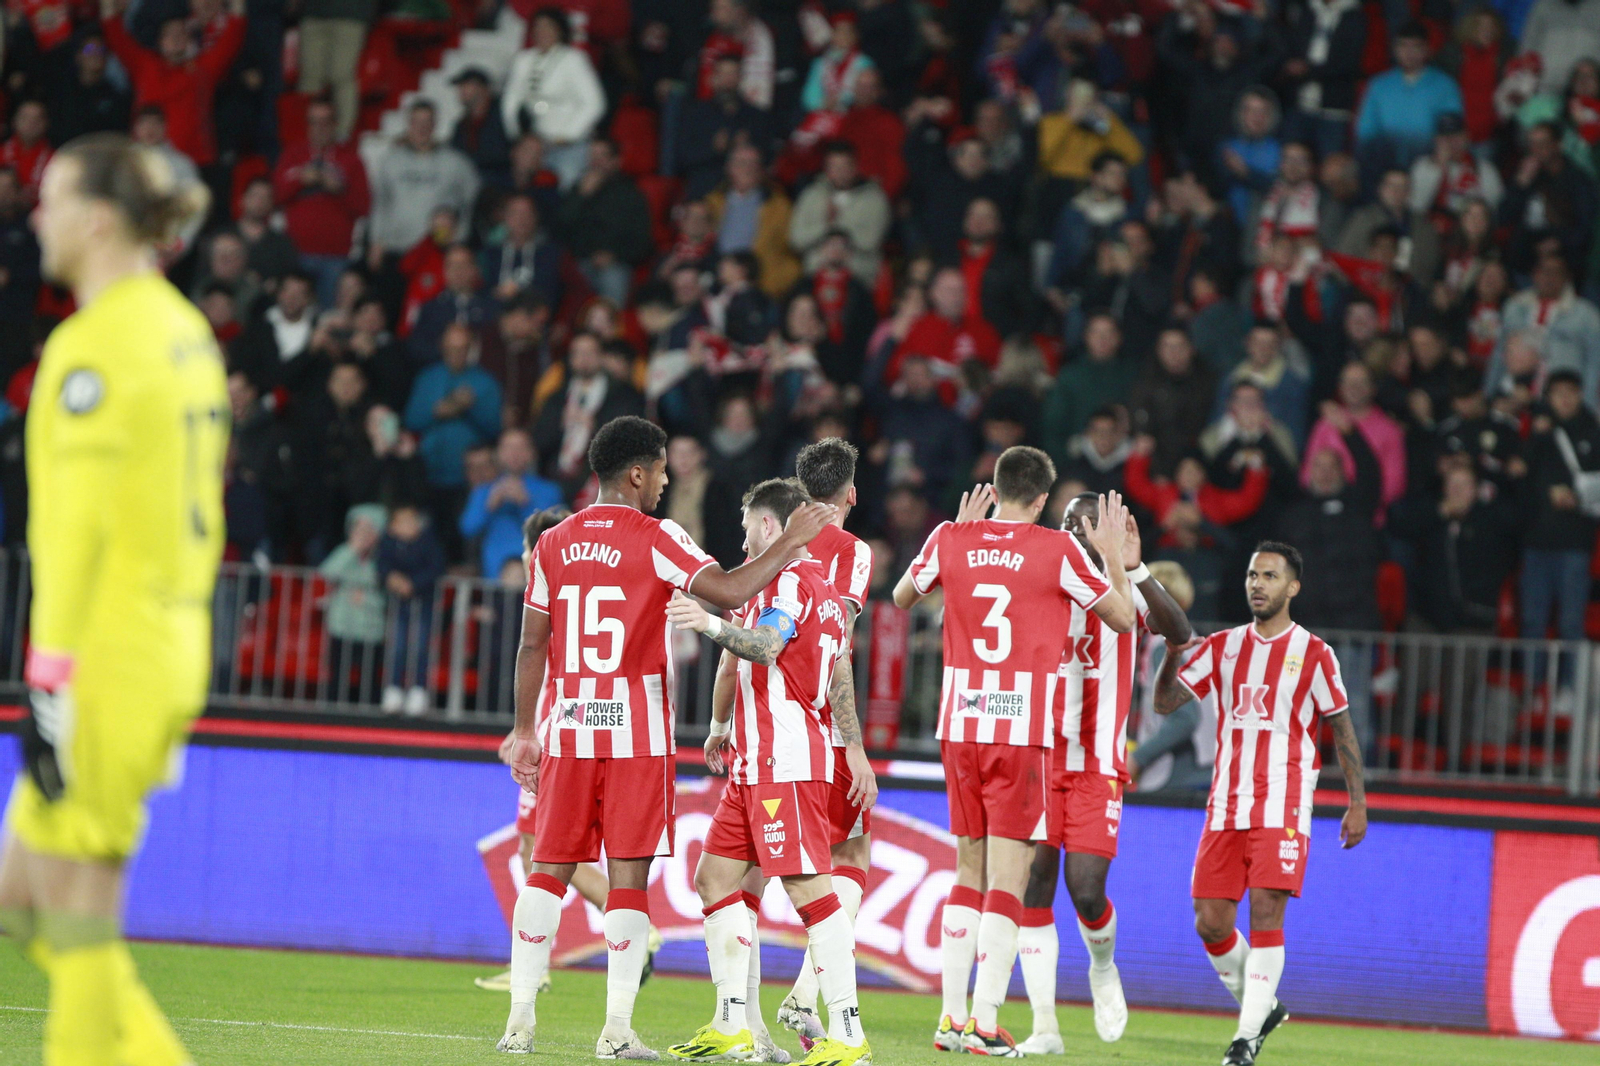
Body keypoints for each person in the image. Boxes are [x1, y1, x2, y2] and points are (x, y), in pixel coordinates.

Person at [498, 416, 835, 1056]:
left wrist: (522, 730)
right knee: (627, 881)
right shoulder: (658, 536)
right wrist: (789, 540)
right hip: (637, 733)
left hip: (567, 727)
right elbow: (732, 589)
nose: (664, 480)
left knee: (547, 868)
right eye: (658, 469)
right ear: (636, 472)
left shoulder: (554, 542)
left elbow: (530, 645)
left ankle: (519, 1023)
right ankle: (617, 1031)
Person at [1, 132, 222, 1066]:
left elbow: (73, 539)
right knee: (25, 899)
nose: (35, 216)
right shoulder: (185, 331)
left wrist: (48, 687)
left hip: (106, 654)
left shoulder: (93, 350)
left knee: (82, 915)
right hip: (166, 641)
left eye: (49, 199)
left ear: (95, 220)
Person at [893, 450, 1136, 1054]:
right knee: (1008, 876)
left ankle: (949, 1019)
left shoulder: (951, 536)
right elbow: (1124, 618)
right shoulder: (1056, 550)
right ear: (1043, 500)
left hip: (959, 725)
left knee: (966, 869)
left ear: (995, 488)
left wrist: (958, 536)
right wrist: (1110, 555)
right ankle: (983, 1022)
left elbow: (900, 597)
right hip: (1020, 731)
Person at [665, 478, 873, 1066]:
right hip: (754, 765)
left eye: (747, 524)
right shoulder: (826, 592)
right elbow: (835, 678)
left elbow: (762, 645)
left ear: (768, 526)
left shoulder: (790, 584)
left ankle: (849, 1036)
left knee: (811, 895)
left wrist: (704, 622)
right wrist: (722, 725)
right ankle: (731, 1024)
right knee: (714, 880)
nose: (742, 535)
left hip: (785, 764)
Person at [1153, 542, 1368, 1066]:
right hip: (1226, 801)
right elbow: (1165, 703)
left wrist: (1357, 801)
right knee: (1210, 920)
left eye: (1270, 576)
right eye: (1252, 574)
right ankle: (1263, 1007)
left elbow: (1340, 727)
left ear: (1292, 587)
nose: (1257, 584)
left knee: (1266, 911)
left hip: (1284, 802)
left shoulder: (1316, 654)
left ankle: (1245, 1041)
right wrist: (1170, 657)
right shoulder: (1224, 646)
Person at [1014, 495, 1194, 1052]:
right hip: (1041, 757)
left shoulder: (1121, 587)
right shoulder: (1041, 578)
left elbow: (1178, 630)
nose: (1073, 532)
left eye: (1085, 525)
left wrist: (1135, 565)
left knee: (1086, 891)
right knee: (1035, 884)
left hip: (1097, 766)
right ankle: (1044, 1027)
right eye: (1066, 522)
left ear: (1107, 534)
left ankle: (1102, 965)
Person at [475, 507, 662, 995]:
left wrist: (528, 731)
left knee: (546, 852)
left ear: (534, 548)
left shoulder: (552, 583)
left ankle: (542, 969)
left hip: (563, 734)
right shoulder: (583, 580)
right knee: (534, 848)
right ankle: (539, 967)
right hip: (567, 727)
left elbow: (548, 667)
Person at [769, 439, 878, 1050]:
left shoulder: (771, 529)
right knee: (851, 853)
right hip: (820, 724)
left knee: (743, 874)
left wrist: (723, 719)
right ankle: (807, 1000)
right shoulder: (851, 551)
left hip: (762, 721)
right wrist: (854, 744)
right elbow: (834, 648)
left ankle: (739, 1019)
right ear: (851, 494)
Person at [100, 0, 245, 169]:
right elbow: (112, 28)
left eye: (181, 33)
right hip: (147, 164)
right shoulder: (144, 65)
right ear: (160, 40)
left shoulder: (203, 70)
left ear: (189, 40)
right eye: (169, 34)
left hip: (194, 165)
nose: (175, 38)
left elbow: (236, 28)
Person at [273, 97, 370, 308]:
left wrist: (339, 189)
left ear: (335, 124)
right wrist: (300, 180)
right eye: (314, 122)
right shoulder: (293, 154)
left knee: (329, 314)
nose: (319, 128)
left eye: (325, 122)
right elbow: (276, 195)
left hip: (336, 256)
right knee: (295, 312)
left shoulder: (351, 160)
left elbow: (363, 206)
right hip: (296, 254)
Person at [501, 6, 607, 189]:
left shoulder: (574, 59)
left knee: (568, 180)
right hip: (534, 141)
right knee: (516, 175)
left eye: (548, 27)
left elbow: (595, 104)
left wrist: (567, 135)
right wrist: (517, 134)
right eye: (538, 27)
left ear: (560, 30)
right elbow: (510, 102)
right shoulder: (522, 60)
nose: (542, 32)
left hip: (567, 144)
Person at [1354, 22, 1465, 173]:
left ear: (1427, 50)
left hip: (1429, 164)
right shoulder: (1379, 85)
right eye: (1403, 46)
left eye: (1416, 47)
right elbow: (1365, 131)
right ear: (1395, 49)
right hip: (1383, 164)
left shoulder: (1444, 85)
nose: (1409, 52)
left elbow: (1452, 131)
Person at [458, 428, 563, 577]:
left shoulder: (549, 490)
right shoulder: (484, 490)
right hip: (493, 577)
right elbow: (467, 529)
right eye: (508, 448)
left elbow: (556, 534)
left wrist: (526, 504)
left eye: (520, 448)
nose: (514, 453)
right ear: (498, 454)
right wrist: (489, 506)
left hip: (535, 577)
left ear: (531, 453)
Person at [375, 504, 445, 715]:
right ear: (392, 526)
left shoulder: (428, 542)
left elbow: (436, 568)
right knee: (397, 647)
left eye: (411, 521)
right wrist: (392, 579)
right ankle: (394, 689)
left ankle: (418, 690)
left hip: (423, 604)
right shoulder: (387, 543)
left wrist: (412, 584)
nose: (407, 526)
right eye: (401, 522)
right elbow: (382, 566)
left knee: (420, 647)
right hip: (397, 605)